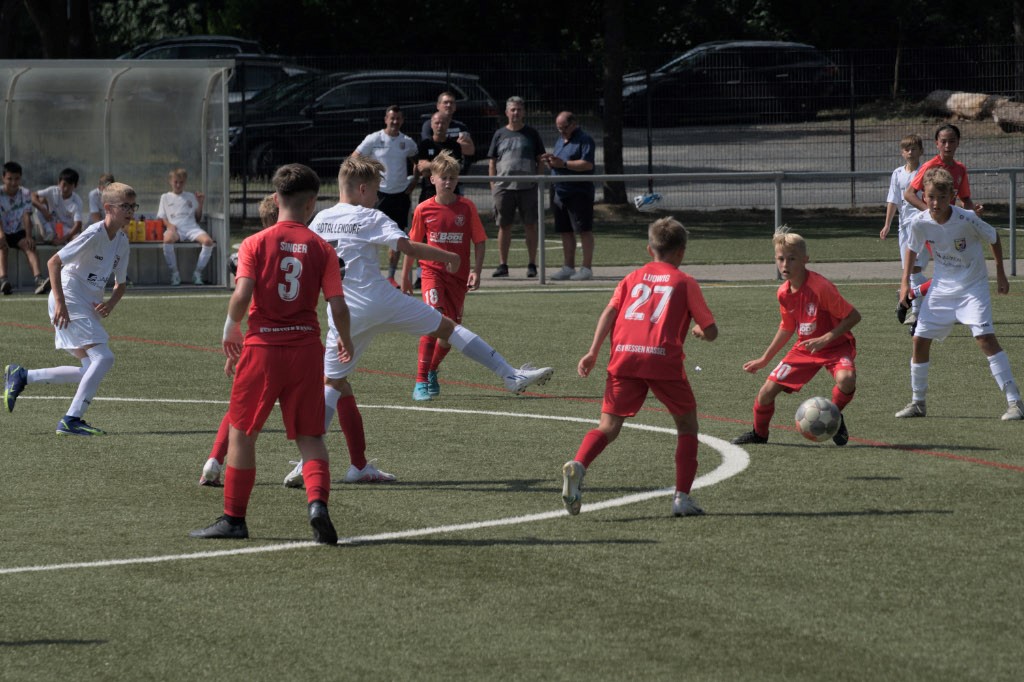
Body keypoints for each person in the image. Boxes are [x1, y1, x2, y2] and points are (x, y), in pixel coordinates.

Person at [281, 155, 554, 488]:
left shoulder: (320, 219)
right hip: (380, 300)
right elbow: (408, 246)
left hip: (342, 310)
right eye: (376, 190)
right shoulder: (369, 215)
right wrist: (449, 255)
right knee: (447, 328)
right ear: (363, 188)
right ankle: (510, 375)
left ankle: (307, 464)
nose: (377, 197)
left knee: (332, 385)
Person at [190, 164, 353, 543]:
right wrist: (344, 338)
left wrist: (231, 325)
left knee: (243, 434)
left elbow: (243, 294)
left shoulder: (255, 243)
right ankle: (317, 506)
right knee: (311, 436)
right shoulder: (322, 248)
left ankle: (234, 519)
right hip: (305, 350)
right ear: (311, 203)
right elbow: (338, 305)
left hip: (263, 349)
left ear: (276, 198)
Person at [561, 217, 718, 517]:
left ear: (650, 249)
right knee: (686, 425)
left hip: (624, 357)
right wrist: (701, 331)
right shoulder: (685, 282)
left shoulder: (632, 277)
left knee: (608, 426)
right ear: (681, 252)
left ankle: (579, 464)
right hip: (662, 360)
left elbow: (610, 312)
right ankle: (682, 498)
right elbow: (711, 330)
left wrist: (593, 351)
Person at [3, 182, 134, 435]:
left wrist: (110, 304)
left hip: (85, 303)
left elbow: (121, 284)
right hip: (69, 297)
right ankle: (71, 420)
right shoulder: (94, 233)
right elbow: (53, 263)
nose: (130, 211)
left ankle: (22, 376)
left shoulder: (122, 241)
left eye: (133, 206)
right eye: (125, 206)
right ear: (108, 208)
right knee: (104, 357)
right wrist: (61, 303)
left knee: (89, 367)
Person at [895, 167, 1023, 421]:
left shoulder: (966, 218)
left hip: (972, 288)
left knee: (984, 338)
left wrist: (999, 272)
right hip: (942, 289)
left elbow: (993, 236)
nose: (935, 203)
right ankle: (918, 402)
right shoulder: (920, 222)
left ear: (951, 196)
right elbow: (911, 248)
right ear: (924, 195)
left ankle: (1016, 402)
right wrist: (904, 283)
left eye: (942, 198)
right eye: (930, 197)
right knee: (919, 339)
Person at [731, 226, 860, 446]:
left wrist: (826, 338)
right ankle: (759, 434)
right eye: (780, 259)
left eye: (791, 259)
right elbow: (787, 327)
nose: (785, 264)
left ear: (805, 260)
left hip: (835, 346)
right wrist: (764, 359)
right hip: (805, 347)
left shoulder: (821, 288)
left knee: (846, 379)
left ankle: (834, 414)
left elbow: (854, 316)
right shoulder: (783, 292)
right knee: (765, 394)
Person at [200, 193, 278, 487]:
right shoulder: (298, 244)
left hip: (256, 338)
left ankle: (214, 460)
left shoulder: (250, 247)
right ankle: (308, 470)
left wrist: (234, 340)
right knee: (309, 415)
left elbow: (242, 296)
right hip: (292, 339)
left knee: (239, 406)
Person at [401, 150, 487, 401]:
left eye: (452, 177)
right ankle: (419, 382)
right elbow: (412, 244)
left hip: (458, 279)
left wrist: (476, 271)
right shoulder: (423, 209)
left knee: (450, 335)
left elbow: (479, 241)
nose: (448, 182)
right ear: (433, 180)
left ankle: (432, 370)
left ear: (457, 180)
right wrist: (406, 276)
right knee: (433, 320)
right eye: (443, 177)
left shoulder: (467, 207)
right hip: (432, 273)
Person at [898, 124, 980, 323]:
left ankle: (914, 295)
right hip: (933, 228)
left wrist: (972, 214)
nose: (947, 145)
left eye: (952, 141)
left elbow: (965, 198)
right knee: (950, 269)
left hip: (953, 228)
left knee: (955, 270)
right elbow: (909, 194)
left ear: (958, 143)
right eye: (943, 141)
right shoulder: (929, 167)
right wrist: (932, 213)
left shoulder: (960, 169)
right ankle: (921, 308)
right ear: (936, 144)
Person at [353, 104, 418, 286]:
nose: (395, 122)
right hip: (379, 195)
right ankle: (368, 273)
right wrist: (365, 181)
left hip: (400, 196)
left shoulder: (407, 142)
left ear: (402, 120)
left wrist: (414, 180)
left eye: (398, 119)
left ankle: (390, 276)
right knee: (369, 233)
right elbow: (354, 158)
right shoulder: (374, 139)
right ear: (386, 119)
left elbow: (417, 161)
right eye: (392, 118)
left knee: (396, 236)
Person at [487, 96, 546, 278]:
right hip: (504, 187)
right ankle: (503, 264)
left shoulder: (531, 134)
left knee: (530, 225)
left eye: (519, 110)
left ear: (524, 112)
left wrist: (539, 180)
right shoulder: (499, 134)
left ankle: (532, 264)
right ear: (506, 113)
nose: (516, 113)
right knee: (504, 226)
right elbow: (492, 162)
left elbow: (540, 159)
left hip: (527, 186)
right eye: (512, 110)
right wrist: (493, 184)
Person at [541, 111, 597, 281]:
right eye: (558, 129)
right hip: (560, 191)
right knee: (565, 230)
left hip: (579, 192)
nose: (561, 132)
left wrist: (563, 164)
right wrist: (552, 162)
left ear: (574, 124)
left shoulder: (584, 139)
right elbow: (560, 162)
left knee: (583, 230)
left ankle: (586, 268)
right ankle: (568, 267)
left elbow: (587, 164)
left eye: (564, 128)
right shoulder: (560, 140)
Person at [880, 134, 928, 325]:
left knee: (914, 269)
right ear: (902, 152)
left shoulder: (926, 171)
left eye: (914, 148)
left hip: (923, 225)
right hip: (904, 227)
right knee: (908, 270)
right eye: (907, 149)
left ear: (921, 151)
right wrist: (887, 224)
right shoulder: (898, 173)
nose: (910, 152)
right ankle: (913, 294)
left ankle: (915, 309)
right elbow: (894, 199)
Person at [0, 161, 49, 296]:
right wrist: (1, 234)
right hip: (2, 230)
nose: (13, 182)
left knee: (29, 246)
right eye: (10, 179)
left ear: (20, 178)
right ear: (3, 178)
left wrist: (28, 236)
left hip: (16, 230)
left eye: (16, 179)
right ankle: (4, 281)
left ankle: (38, 280)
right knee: (2, 246)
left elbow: (26, 215)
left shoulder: (25, 193)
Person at [158, 168, 213, 286]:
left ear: (185, 182)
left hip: (192, 228)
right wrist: (169, 225)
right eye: (176, 182)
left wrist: (200, 204)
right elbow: (162, 217)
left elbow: (198, 218)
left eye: (181, 182)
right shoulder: (165, 197)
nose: (178, 184)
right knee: (167, 240)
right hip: (175, 229)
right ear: (170, 182)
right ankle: (175, 274)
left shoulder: (190, 196)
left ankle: (197, 273)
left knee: (208, 241)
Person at [416, 112, 463, 204]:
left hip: (450, 193)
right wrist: (446, 166)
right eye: (437, 123)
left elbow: (455, 169)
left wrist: (430, 166)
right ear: (431, 125)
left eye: (443, 123)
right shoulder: (425, 144)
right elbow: (423, 170)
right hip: (428, 191)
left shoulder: (455, 146)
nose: (440, 126)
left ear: (448, 124)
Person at [419, 91, 475, 165]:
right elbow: (429, 145)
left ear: (455, 107)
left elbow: (470, 150)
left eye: (451, 103)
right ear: (438, 106)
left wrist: (449, 145)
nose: (449, 105)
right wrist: (455, 145)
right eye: (445, 102)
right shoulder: (429, 125)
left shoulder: (461, 127)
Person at [32, 167, 85, 245]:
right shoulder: (52, 190)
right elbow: (32, 195)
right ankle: (49, 233)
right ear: (59, 182)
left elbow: (78, 225)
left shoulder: (77, 202)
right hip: (51, 224)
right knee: (40, 202)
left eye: (70, 185)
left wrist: (63, 239)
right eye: (64, 184)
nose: (65, 189)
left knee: (78, 239)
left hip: (66, 230)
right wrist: (43, 209)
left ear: (75, 186)